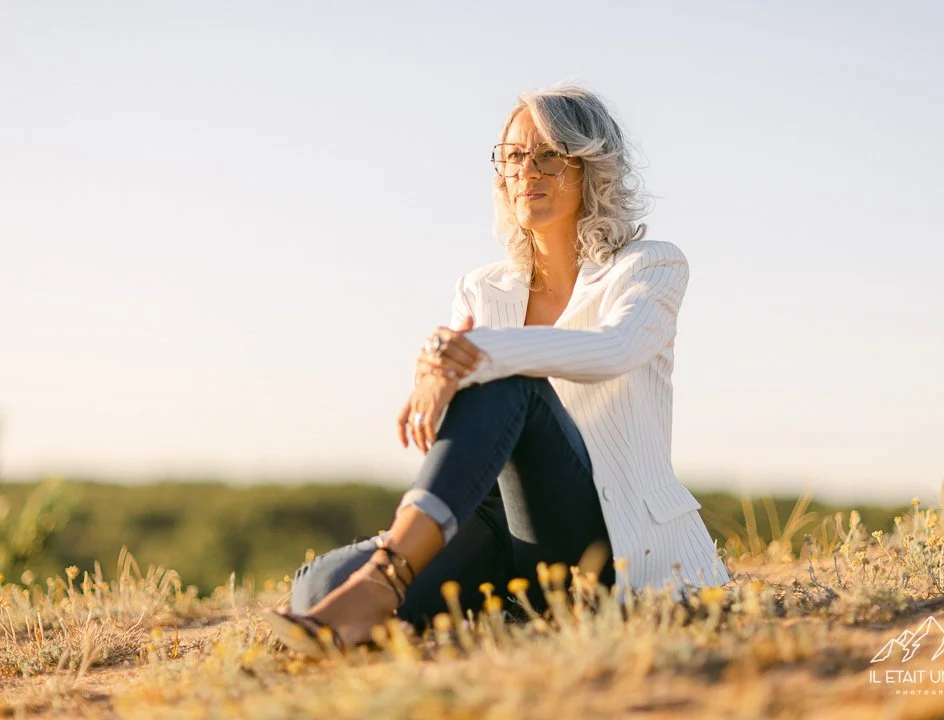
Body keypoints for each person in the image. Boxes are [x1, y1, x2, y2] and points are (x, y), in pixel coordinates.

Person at [266, 84, 731, 656]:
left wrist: (475, 355)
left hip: (605, 534)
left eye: (549, 155)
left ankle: (388, 577)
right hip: (496, 529)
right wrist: (435, 369)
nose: (527, 171)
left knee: (515, 383)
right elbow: (464, 423)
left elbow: (615, 350)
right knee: (319, 587)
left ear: (591, 168)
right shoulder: (482, 287)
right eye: (513, 156)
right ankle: (407, 593)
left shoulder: (649, 266)